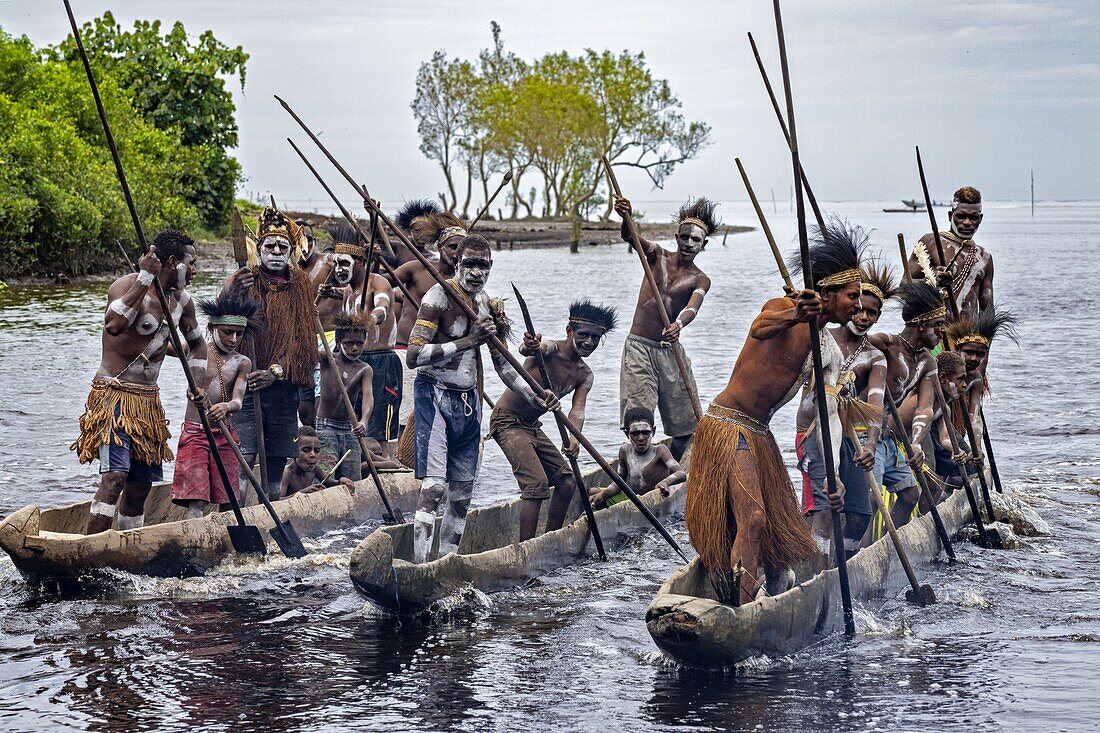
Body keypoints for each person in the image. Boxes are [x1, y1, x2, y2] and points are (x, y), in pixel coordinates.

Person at [685, 221, 862, 605]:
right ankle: (742, 607)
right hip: (729, 425)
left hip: (759, 434)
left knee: (781, 530)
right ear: (828, 294)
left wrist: (830, 475)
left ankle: (756, 587)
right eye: (852, 296)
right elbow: (760, 328)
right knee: (754, 519)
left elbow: (826, 412)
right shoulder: (782, 308)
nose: (859, 306)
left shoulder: (826, 348)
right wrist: (796, 315)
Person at [405, 234, 557, 563]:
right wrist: (466, 342)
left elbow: (505, 368)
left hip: (468, 403)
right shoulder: (438, 297)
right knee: (433, 488)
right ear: (457, 265)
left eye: (483, 266)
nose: (476, 272)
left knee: (461, 494)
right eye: (470, 265)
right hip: (434, 395)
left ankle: (446, 563)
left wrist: (535, 394)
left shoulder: (488, 305)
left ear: (490, 268)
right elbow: (413, 355)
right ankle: (420, 566)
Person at [72, 231, 205, 534]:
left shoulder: (182, 302)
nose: (195, 270)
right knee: (115, 477)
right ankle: (92, 549)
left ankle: (129, 545)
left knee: (139, 487)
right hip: (115, 395)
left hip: (148, 404)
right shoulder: (126, 287)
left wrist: (196, 385)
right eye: (191, 263)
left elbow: (197, 346)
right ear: (173, 262)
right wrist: (145, 277)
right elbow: (114, 324)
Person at [491, 299, 617, 541]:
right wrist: (529, 346)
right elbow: (530, 350)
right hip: (507, 421)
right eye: (583, 335)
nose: (588, 342)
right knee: (536, 485)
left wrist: (574, 438)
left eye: (595, 338)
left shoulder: (585, 374)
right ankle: (525, 548)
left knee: (568, 482)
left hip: (531, 426)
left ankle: (551, 539)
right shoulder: (551, 350)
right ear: (570, 332)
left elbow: (577, 410)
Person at [797, 255, 896, 561]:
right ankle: (819, 573)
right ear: (850, 306)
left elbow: (876, 402)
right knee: (824, 509)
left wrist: (870, 445)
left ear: (877, 318)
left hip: (852, 435)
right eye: (860, 308)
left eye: (872, 313)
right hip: (816, 430)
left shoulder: (875, 357)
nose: (863, 316)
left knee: (860, 514)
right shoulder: (821, 338)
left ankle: (845, 563)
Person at [222, 206, 318, 500]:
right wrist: (232, 291)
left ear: (290, 251)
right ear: (259, 249)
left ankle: (272, 511)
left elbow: (303, 340)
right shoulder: (244, 279)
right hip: (246, 384)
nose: (276, 251)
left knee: (275, 462)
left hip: (282, 385)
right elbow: (221, 325)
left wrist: (275, 372)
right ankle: (233, 516)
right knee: (243, 456)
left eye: (282, 247)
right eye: (269, 246)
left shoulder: (299, 283)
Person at [613, 196, 715, 460]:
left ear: (704, 244)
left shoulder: (700, 278)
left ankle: (680, 467)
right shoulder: (656, 255)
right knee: (638, 418)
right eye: (685, 238)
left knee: (687, 424)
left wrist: (678, 324)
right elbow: (631, 238)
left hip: (670, 349)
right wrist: (626, 217)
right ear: (676, 236)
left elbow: (692, 307)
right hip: (639, 347)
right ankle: (637, 467)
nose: (689, 244)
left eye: (696, 240)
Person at [171, 294, 260, 519]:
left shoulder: (242, 362)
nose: (233, 339)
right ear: (212, 328)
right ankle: (194, 541)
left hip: (224, 434)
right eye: (227, 332)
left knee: (230, 497)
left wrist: (227, 407)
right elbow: (160, 346)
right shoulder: (194, 350)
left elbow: (238, 399)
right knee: (197, 500)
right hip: (196, 433)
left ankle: (227, 540)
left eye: (238, 334)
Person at [868, 281, 948, 527]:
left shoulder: (927, 362)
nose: (943, 332)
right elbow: (852, 343)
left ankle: (884, 551)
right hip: (864, 431)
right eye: (938, 325)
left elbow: (925, 408)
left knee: (910, 494)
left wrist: (915, 444)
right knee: (869, 500)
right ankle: (854, 556)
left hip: (887, 438)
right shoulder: (885, 344)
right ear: (921, 325)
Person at [391, 211, 467, 435]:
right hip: (405, 351)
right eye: (453, 247)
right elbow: (377, 284)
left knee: (433, 416)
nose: (457, 254)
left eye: (461, 249)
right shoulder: (417, 268)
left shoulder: (464, 282)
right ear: (441, 247)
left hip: (441, 357)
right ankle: (402, 455)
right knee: (406, 413)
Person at [908, 186, 993, 319]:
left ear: (980, 219)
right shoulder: (930, 243)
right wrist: (932, 281)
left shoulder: (984, 258)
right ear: (950, 216)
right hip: (934, 335)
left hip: (969, 336)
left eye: (973, 218)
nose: (967, 222)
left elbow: (987, 308)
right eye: (961, 216)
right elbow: (904, 285)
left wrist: (985, 338)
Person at [315, 312, 373, 485]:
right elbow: (303, 347)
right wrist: (311, 317)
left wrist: (363, 421)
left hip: (350, 428)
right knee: (327, 477)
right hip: (326, 427)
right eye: (348, 343)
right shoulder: (327, 359)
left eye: (359, 343)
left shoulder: (364, 369)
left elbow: (368, 398)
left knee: (353, 479)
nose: (354, 348)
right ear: (339, 343)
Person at [589, 407, 687, 508]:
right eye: (635, 434)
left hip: (657, 500)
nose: (640, 438)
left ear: (653, 431)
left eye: (645, 432)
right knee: (593, 492)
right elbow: (619, 482)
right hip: (633, 499)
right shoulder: (624, 451)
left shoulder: (660, 451)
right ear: (627, 434)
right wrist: (603, 494)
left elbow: (681, 474)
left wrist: (665, 482)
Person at [930, 351, 972, 496]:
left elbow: (944, 438)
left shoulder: (944, 408)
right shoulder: (925, 397)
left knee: (971, 465)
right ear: (942, 378)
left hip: (931, 432)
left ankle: (945, 502)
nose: (964, 385)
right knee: (931, 480)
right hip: (911, 437)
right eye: (960, 379)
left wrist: (956, 450)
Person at [281, 426, 356, 497]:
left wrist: (340, 481)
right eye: (306, 450)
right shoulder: (287, 473)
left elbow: (328, 482)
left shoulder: (314, 469)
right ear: (294, 451)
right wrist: (302, 493)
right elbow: (276, 502)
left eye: (317, 451)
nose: (313, 455)